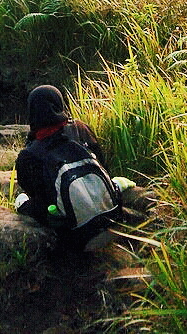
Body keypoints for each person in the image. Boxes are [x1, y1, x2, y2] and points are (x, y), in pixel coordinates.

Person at [14, 85, 126, 251]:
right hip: (113, 216)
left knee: (22, 201)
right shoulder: (82, 129)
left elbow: (39, 202)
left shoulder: (29, 156)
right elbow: (104, 167)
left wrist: (23, 206)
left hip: (74, 236)